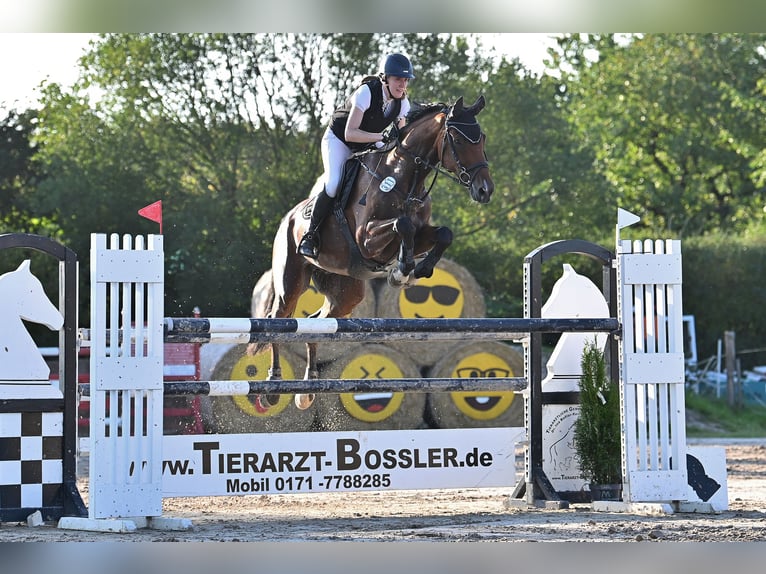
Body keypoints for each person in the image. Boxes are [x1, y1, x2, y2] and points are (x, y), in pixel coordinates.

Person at [297, 53, 415, 259]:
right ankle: (311, 235)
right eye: (398, 79)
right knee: (334, 183)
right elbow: (350, 133)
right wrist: (382, 136)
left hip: (369, 143)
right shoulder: (366, 93)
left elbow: (400, 140)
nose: (402, 85)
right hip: (339, 141)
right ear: (385, 78)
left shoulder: (403, 104)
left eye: (405, 80)